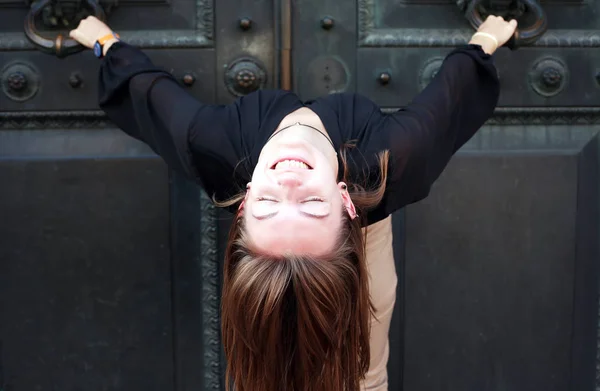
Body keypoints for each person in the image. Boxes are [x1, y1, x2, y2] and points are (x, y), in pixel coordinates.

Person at [70, 14, 517, 391]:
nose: (287, 181)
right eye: (310, 204)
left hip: (347, 232)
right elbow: (447, 95)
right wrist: (485, 40)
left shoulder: (214, 149)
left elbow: (151, 92)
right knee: (349, 344)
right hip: (359, 224)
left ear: (243, 203)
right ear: (343, 199)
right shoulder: (391, 160)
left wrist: (107, 43)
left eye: (268, 203)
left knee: (342, 358)